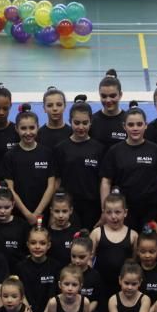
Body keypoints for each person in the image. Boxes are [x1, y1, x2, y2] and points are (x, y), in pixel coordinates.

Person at [100, 106, 157, 229]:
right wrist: (106, 210)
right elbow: (106, 181)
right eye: (131, 125)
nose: (135, 128)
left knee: (148, 246)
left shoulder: (156, 150)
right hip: (123, 211)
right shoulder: (115, 151)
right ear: (124, 126)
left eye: (139, 124)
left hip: (150, 210)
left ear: (146, 125)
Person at [53, 96, 105, 226]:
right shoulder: (61, 148)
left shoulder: (99, 149)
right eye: (77, 123)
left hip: (92, 206)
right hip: (67, 208)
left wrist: (104, 210)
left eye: (85, 123)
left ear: (90, 122)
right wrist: (55, 205)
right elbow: (56, 180)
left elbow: (103, 181)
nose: (81, 127)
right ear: (70, 121)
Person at [1, 106, 56, 224]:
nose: (28, 132)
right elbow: (10, 188)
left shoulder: (47, 153)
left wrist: (37, 213)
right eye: (23, 128)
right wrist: (27, 214)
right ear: (16, 129)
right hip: (19, 214)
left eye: (32, 128)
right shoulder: (10, 156)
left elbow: (51, 186)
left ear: (38, 127)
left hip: (43, 213)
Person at [89, 192, 137, 301]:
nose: (113, 216)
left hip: (124, 287)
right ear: (103, 213)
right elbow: (89, 260)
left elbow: (134, 262)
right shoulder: (97, 233)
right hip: (101, 283)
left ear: (125, 213)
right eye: (109, 212)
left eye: (117, 212)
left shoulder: (133, 235)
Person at [15, 224, 62, 312]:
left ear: (48, 245)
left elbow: (53, 296)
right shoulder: (20, 267)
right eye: (33, 243)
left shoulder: (55, 266)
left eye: (42, 243)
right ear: (27, 244)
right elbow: (22, 295)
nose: (37, 247)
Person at [91, 69, 127, 148]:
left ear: (120, 95)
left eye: (112, 96)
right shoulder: (92, 121)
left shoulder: (128, 121)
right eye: (104, 96)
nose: (108, 100)